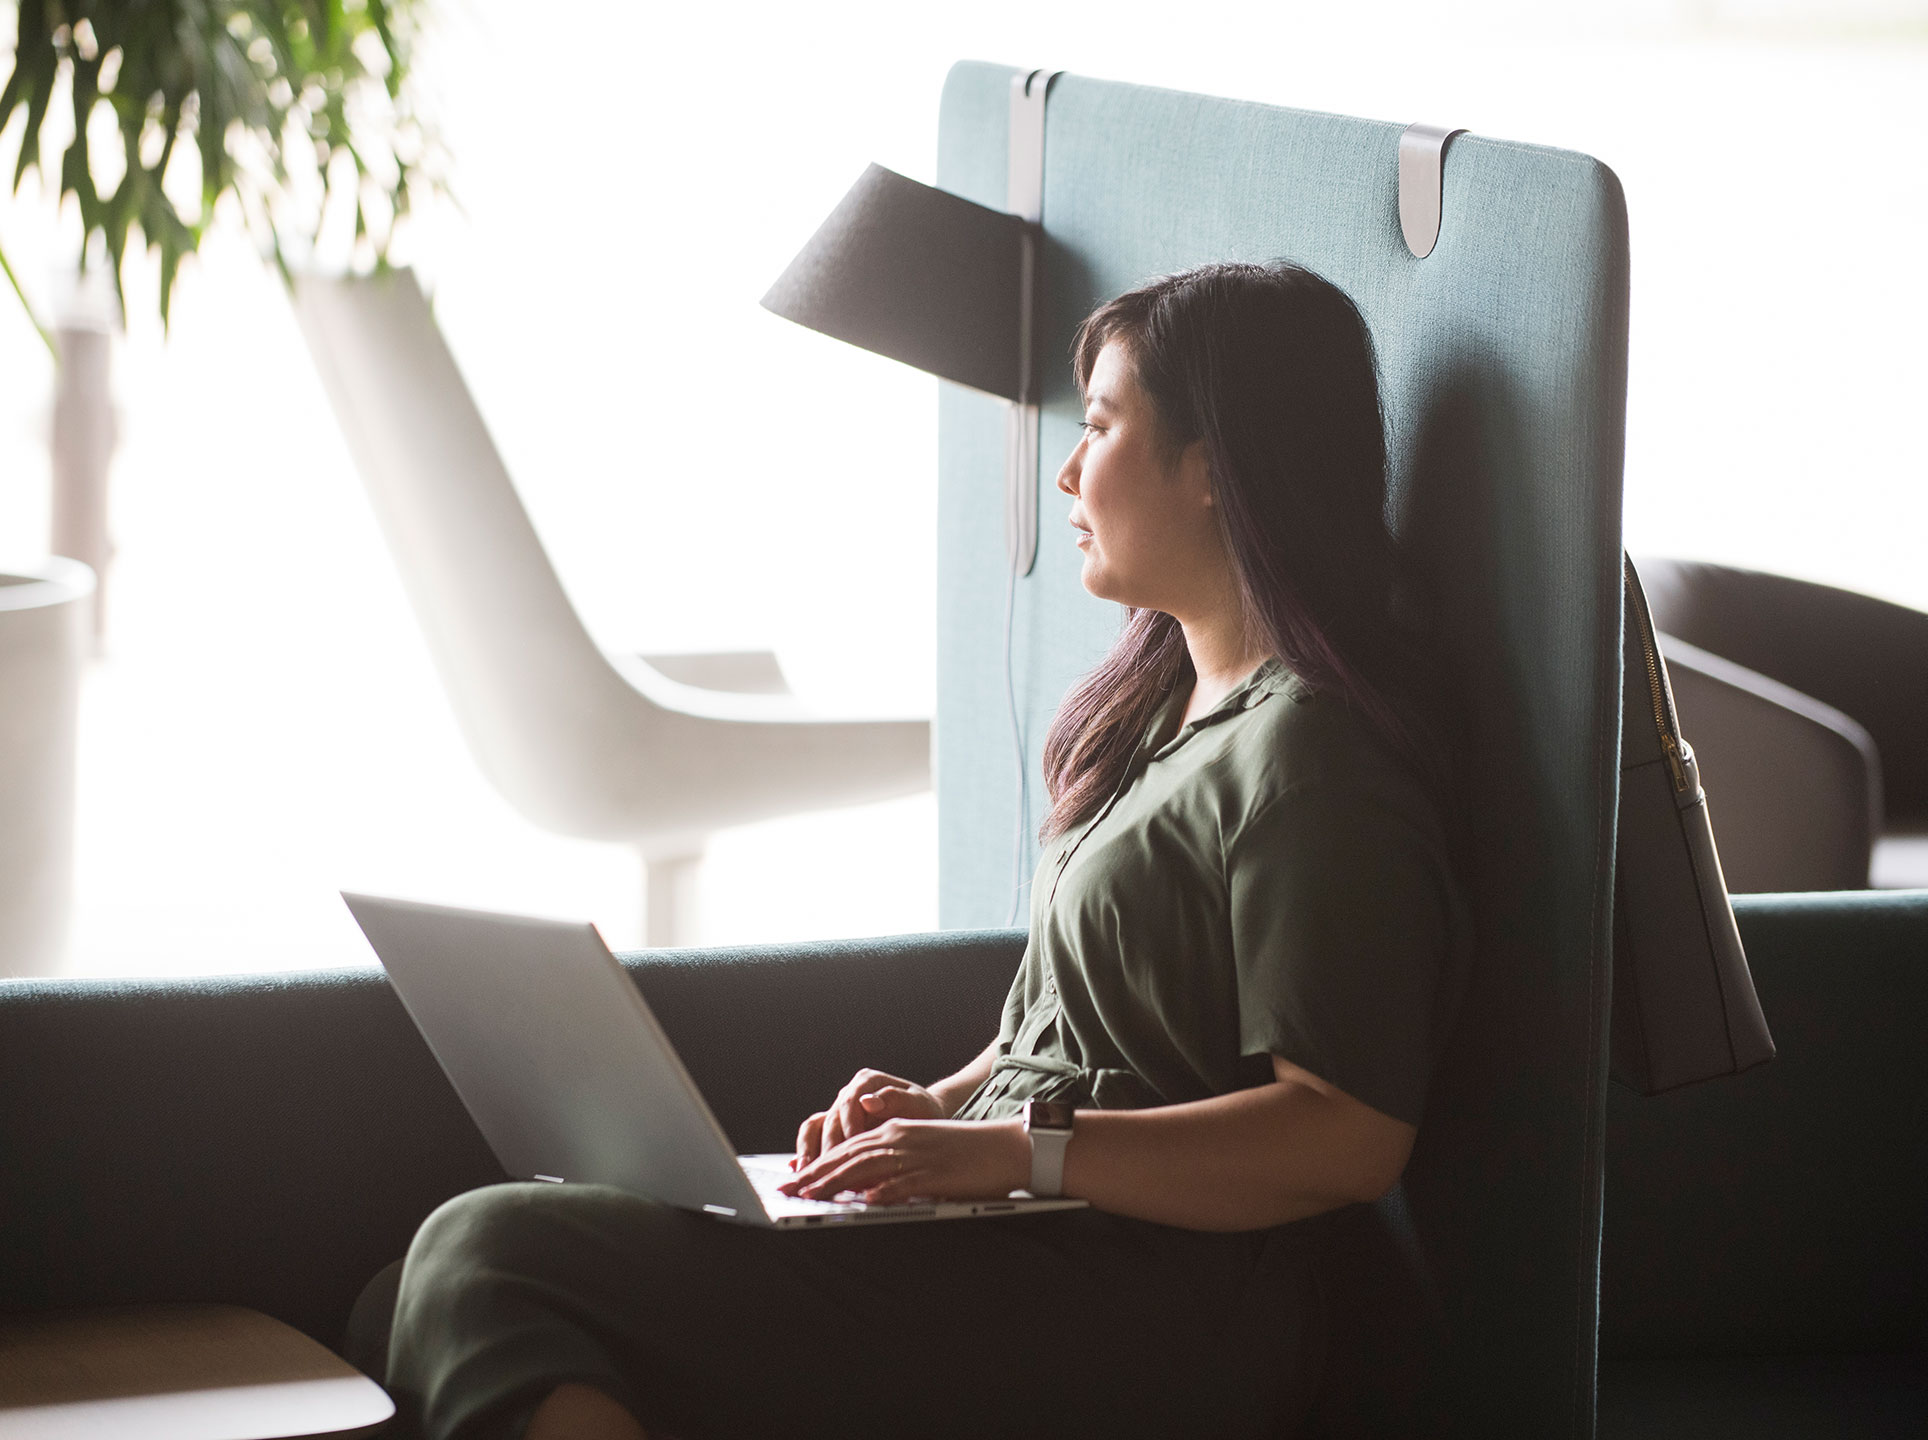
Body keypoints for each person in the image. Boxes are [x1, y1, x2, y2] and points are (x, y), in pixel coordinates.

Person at [384, 261, 1472, 1440]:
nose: (1066, 468)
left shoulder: (1314, 756)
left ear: (1215, 469)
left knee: (489, 1260)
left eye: (1101, 425)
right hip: (1028, 1240)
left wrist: (1008, 1151)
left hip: (1148, 1300)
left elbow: (1346, 1134)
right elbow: (1089, 1034)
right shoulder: (1168, 713)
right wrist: (941, 1110)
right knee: (408, 1292)